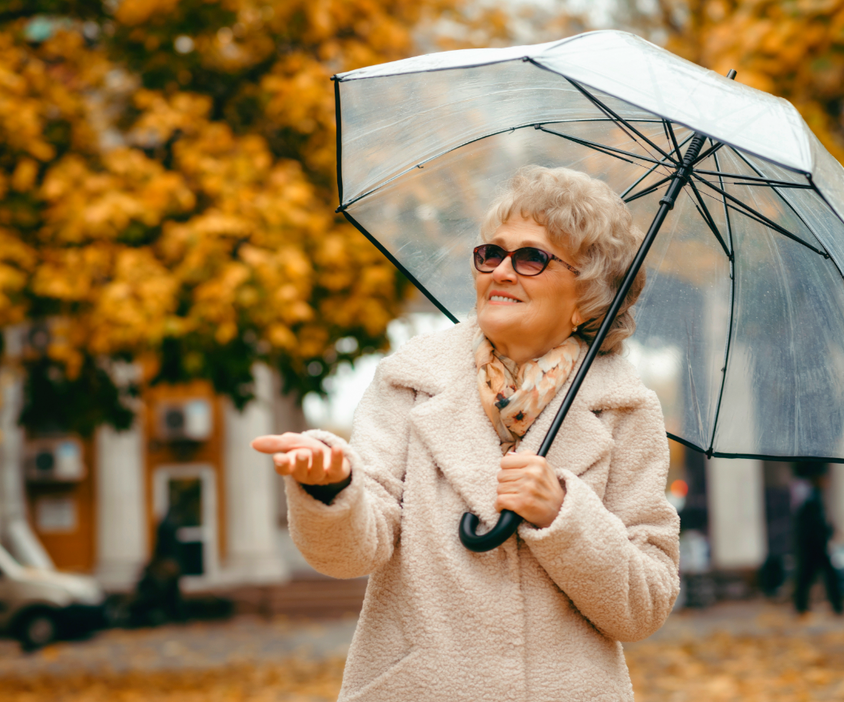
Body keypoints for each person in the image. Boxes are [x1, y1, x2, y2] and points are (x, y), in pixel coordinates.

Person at [253, 166, 680, 701]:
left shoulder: (626, 410)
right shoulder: (410, 381)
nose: (501, 271)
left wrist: (563, 515)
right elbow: (350, 554)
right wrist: (333, 487)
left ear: (588, 296)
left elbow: (646, 605)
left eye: (531, 258)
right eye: (490, 253)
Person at [792, 462, 844, 615]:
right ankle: (834, 605)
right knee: (817, 575)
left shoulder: (813, 494)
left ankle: (802, 606)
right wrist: (827, 532)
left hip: (814, 544)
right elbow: (812, 522)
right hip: (813, 545)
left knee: (809, 576)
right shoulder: (809, 496)